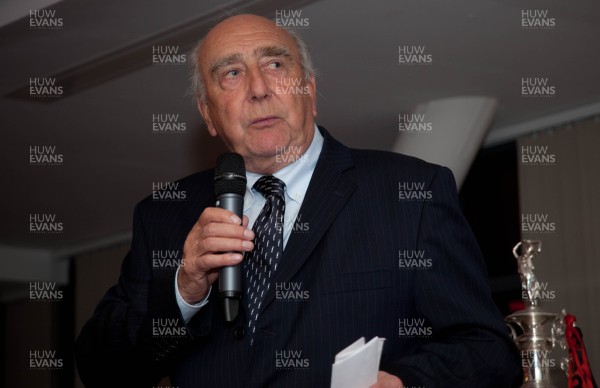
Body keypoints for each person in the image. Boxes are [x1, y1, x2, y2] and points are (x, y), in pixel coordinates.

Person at [75, 14, 522, 388]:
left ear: (309, 89)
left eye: (274, 65)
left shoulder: (409, 193)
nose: (258, 88)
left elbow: (487, 352)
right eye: (231, 73)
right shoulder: (165, 215)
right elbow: (102, 371)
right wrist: (184, 289)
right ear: (208, 113)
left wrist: (406, 383)